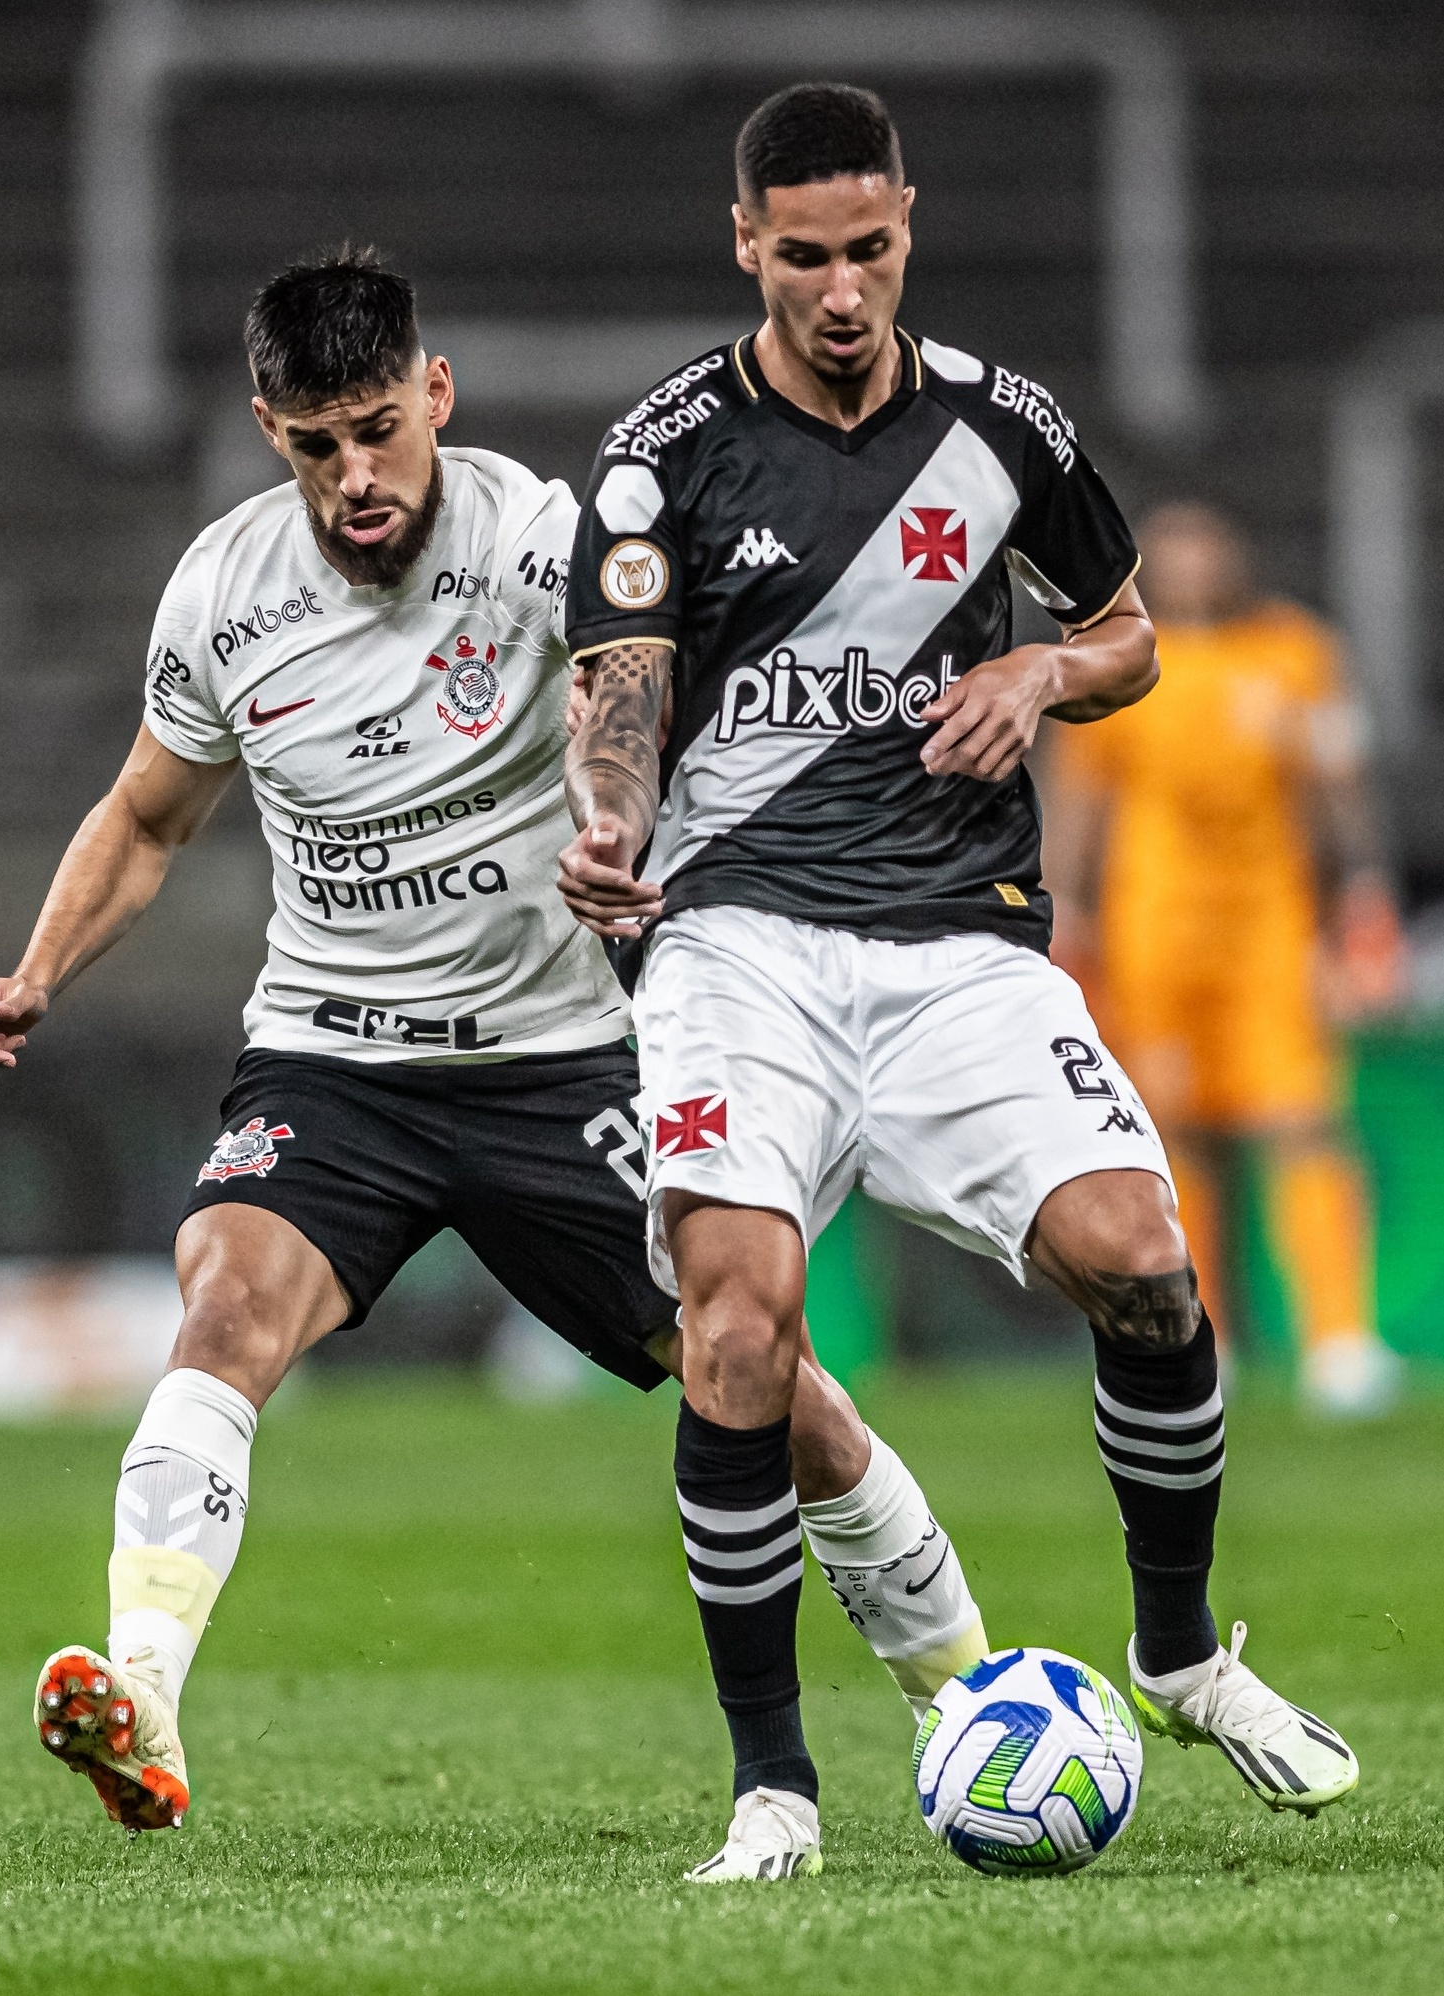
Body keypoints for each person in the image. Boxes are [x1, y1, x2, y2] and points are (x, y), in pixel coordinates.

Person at [0, 250, 987, 1845]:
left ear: (436, 395)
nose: (355, 478)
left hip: (559, 1056)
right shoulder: (223, 595)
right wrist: (37, 973)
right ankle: (141, 1692)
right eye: (313, 446)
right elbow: (149, 818)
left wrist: (612, 812)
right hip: (332, 1058)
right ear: (267, 432)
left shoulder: (547, 545)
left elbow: (630, 705)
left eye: (377, 430)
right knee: (221, 1304)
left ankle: (969, 1698)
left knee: (772, 1389)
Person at [557, 83, 1360, 1882]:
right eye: (804, 256)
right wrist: (608, 823)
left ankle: (1174, 1658)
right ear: (745, 245)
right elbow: (615, 685)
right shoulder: (661, 451)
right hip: (738, 941)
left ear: (905, 223)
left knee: (1143, 1266)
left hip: (959, 948)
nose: (842, 290)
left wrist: (1045, 679)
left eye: (871, 249)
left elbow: (1130, 626)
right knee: (741, 1323)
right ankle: (773, 1788)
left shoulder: (1005, 426)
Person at [1046, 500, 1405, 1415]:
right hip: (1153, 932)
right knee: (1176, 1141)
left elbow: (1340, 789)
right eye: (1170, 555)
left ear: (1232, 556)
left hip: (1269, 929)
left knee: (1302, 1121)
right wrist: (1065, 911)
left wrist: (1361, 902)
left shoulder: (1293, 653)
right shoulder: (1117, 659)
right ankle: (1207, 1338)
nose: (1189, 568)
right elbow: (1081, 801)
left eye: (1203, 549)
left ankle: (1339, 1337)